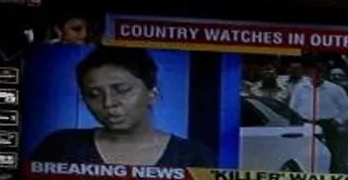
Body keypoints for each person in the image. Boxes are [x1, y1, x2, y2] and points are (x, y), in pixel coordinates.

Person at [28, 45, 219, 169]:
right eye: (94, 95)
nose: (108, 103)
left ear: (152, 93)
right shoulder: (61, 147)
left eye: (122, 90)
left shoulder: (194, 157)